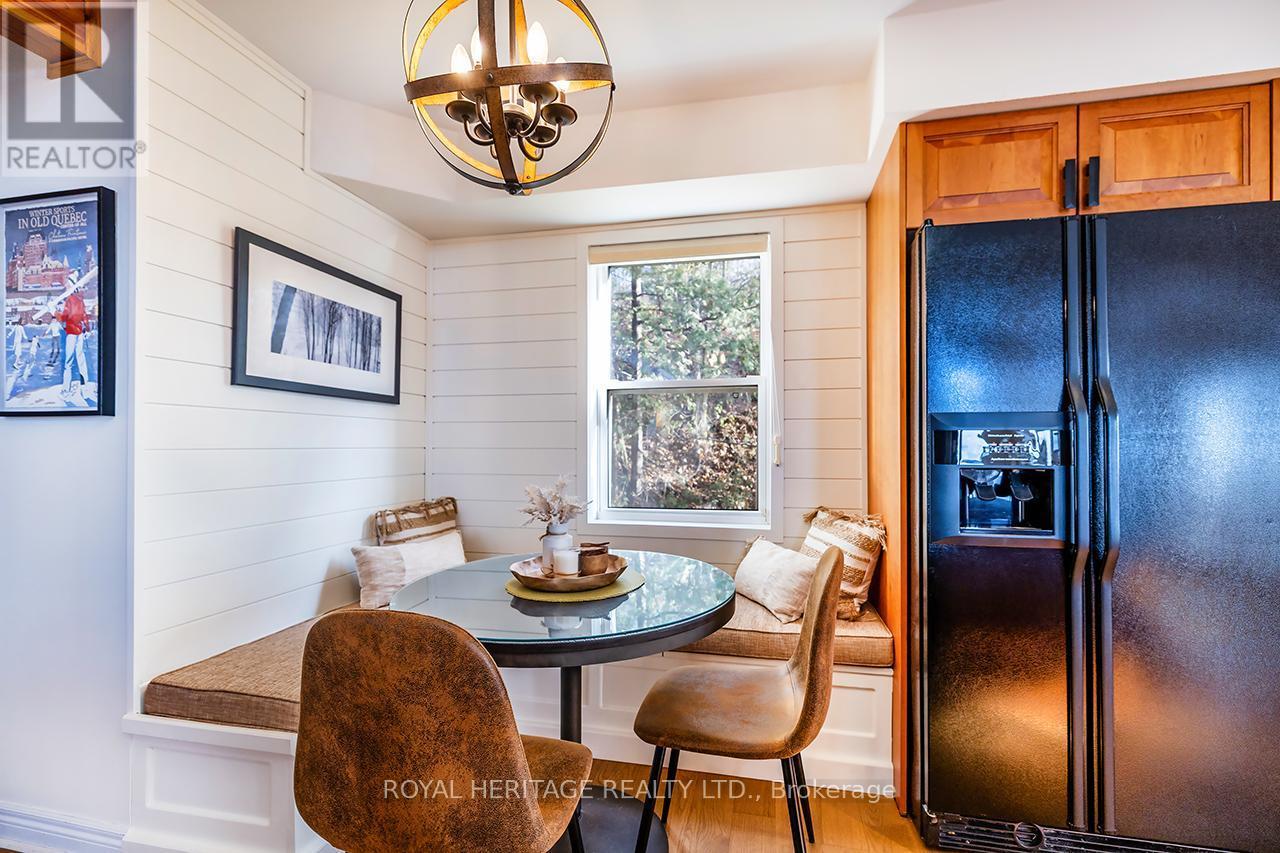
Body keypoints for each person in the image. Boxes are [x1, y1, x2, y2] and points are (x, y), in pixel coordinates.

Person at [57, 276, 90, 396]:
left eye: (67, 285)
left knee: (68, 362)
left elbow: (64, 317)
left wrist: (54, 312)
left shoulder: (69, 300)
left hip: (71, 333)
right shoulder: (80, 300)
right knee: (81, 360)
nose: (66, 287)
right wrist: (87, 329)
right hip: (80, 333)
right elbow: (84, 316)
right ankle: (85, 386)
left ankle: (66, 388)